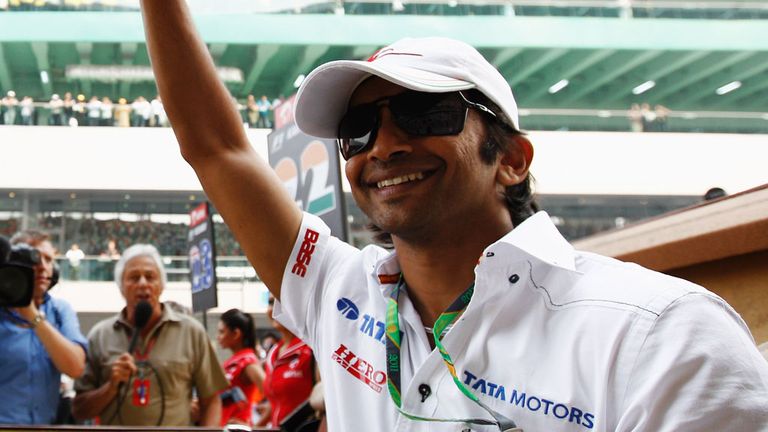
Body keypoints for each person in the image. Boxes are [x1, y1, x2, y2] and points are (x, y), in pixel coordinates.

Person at [140, 2, 768, 430]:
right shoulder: (339, 293)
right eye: (358, 128)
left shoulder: (663, 336)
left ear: (512, 160)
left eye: (424, 113)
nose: (384, 146)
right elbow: (216, 148)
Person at [72, 244, 228, 426]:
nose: (143, 283)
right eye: (134, 277)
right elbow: (79, 410)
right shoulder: (100, 336)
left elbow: (211, 401)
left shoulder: (192, 332)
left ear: (161, 286)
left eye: (150, 276)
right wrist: (111, 387)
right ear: (121, 287)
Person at [0, 230, 87, 424]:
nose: (42, 266)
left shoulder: (60, 310)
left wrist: (32, 314)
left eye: (48, 260)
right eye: (34, 258)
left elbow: (75, 367)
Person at [255, 297, 315, 429]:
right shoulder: (273, 353)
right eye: (271, 302)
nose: (274, 308)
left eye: (281, 300)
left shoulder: (312, 349)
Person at [217, 308, 265, 427]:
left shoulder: (248, 362)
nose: (218, 337)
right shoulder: (233, 361)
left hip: (238, 427)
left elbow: (273, 395)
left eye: (222, 332)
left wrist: (254, 428)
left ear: (236, 334)